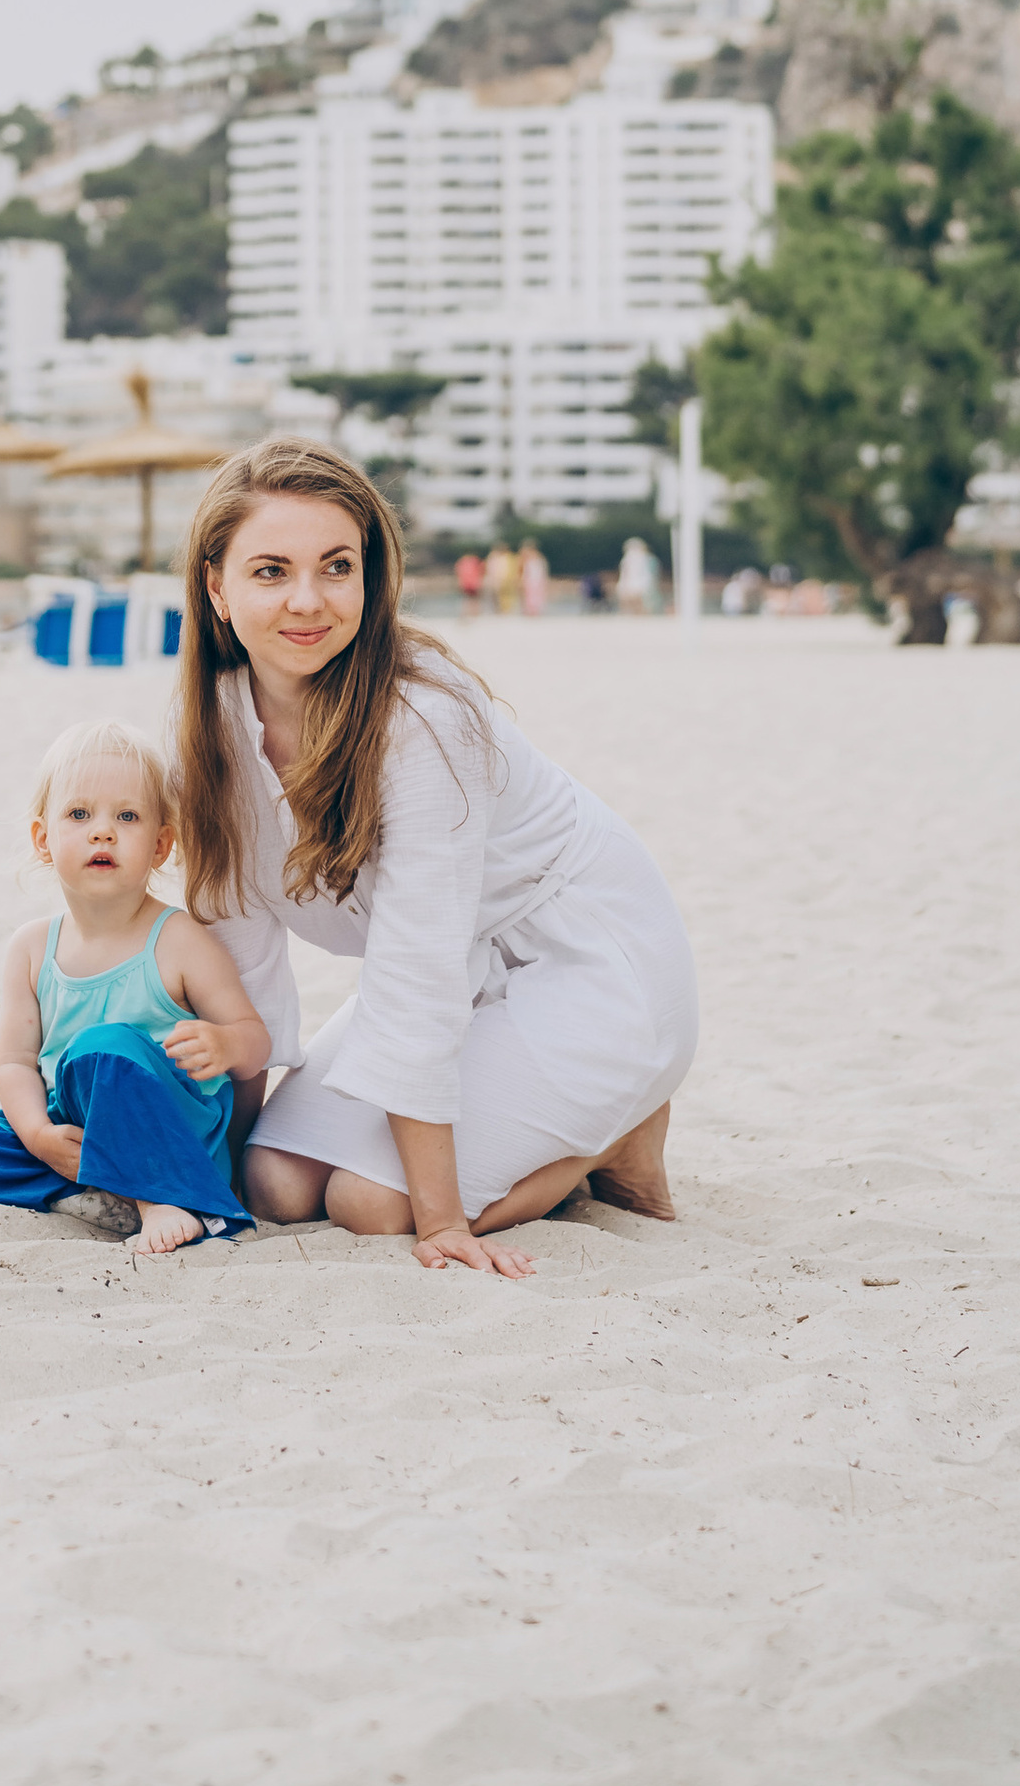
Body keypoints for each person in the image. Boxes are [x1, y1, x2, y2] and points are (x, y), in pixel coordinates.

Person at [166, 441, 697, 1279]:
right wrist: (220, 1175)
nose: (309, 600)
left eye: (337, 567)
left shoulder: (425, 722)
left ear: (372, 579)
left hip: (588, 962)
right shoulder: (211, 737)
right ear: (215, 587)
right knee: (274, 1183)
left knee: (374, 1206)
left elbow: (420, 969)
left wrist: (443, 1221)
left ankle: (618, 1132)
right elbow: (242, 974)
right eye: (271, 571)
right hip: (459, 970)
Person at [0, 719, 267, 1255]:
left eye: (127, 816)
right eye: (80, 814)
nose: (102, 831)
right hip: (73, 1129)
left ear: (160, 846)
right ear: (44, 840)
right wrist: (40, 1136)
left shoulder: (177, 939)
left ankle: (159, 1199)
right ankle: (101, 1191)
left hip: (168, 1134)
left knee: (99, 1049)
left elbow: (254, 1039)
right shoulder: (33, 947)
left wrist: (225, 1044)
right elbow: (15, 1063)